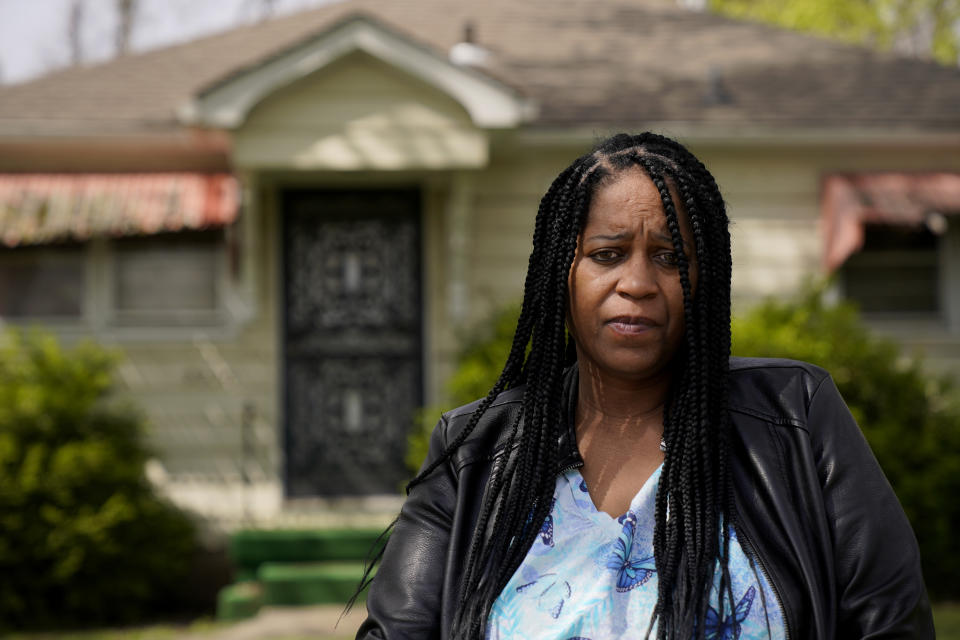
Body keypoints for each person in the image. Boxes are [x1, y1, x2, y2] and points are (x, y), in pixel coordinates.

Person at [354, 133, 934, 639]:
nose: (637, 282)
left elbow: (891, 625)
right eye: (607, 255)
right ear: (561, 274)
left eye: (669, 258)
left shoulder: (794, 419)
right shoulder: (475, 453)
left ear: (702, 279)